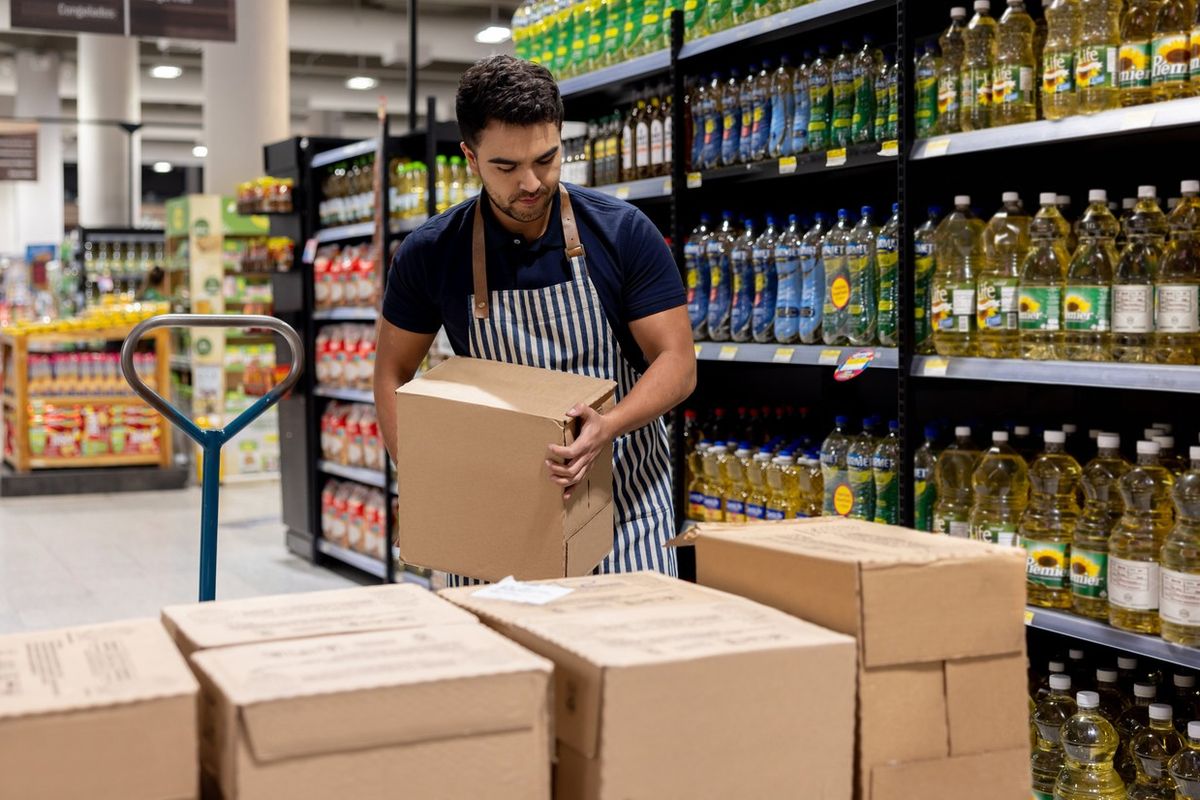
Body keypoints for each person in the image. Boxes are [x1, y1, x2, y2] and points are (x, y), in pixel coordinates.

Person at [374, 55, 696, 585]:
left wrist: (606, 427)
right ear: (470, 158)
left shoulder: (622, 233)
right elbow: (391, 372)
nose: (531, 182)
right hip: (493, 517)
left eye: (546, 159)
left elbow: (678, 363)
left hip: (623, 513)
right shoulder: (432, 253)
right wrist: (423, 475)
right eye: (506, 167)